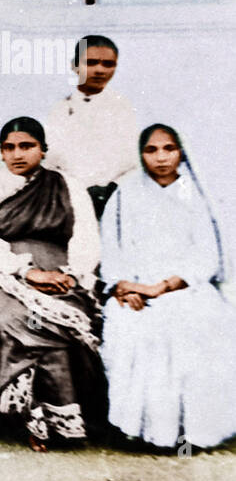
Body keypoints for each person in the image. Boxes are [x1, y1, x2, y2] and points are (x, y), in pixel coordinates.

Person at [0, 117, 104, 450]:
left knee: (61, 318)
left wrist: (73, 273)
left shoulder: (67, 185)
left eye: (27, 146)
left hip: (60, 269)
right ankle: (28, 420)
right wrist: (26, 272)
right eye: (9, 148)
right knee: (10, 318)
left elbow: (85, 237)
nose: (17, 154)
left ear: (44, 149)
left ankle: (63, 421)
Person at [101, 125, 236, 450]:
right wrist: (125, 287)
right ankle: (146, 431)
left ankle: (195, 432)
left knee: (196, 322)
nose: (161, 157)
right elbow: (112, 248)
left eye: (168, 148)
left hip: (184, 287)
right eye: (151, 150)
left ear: (180, 151)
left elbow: (206, 256)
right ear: (141, 154)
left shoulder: (196, 193)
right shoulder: (125, 195)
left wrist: (161, 287)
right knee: (131, 324)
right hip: (134, 288)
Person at [44, 35, 139, 217]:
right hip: (69, 202)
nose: (100, 70)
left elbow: (132, 162)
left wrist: (110, 189)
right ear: (74, 65)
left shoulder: (122, 108)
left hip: (113, 201)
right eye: (91, 62)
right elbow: (52, 161)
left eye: (108, 64)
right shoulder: (61, 109)